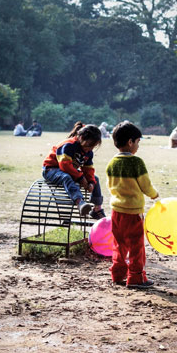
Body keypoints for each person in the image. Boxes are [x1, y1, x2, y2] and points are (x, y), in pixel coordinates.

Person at [106, 121, 159, 289]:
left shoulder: (111, 163)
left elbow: (110, 186)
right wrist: (154, 194)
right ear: (130, 142)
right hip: (133, 212)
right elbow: (145, 185)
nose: (138, 146)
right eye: (138, 142)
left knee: (119, 243)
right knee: (136, 245)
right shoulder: (136, 163)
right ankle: (136, 278)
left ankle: (118, 274)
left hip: (116, 211)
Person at [42, 121, 106, 218]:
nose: (90, 149)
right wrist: (80, 178)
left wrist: (91, 182)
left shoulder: (88, 152)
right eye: (89, 145)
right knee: (66, 177)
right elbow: (65, 166)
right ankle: (79, 202)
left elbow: (88, 169)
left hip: (69, 171)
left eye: (93, 146)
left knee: (95, 178)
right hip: (51, 170)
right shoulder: (68, 145)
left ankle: (97, 209)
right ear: (81, 137)